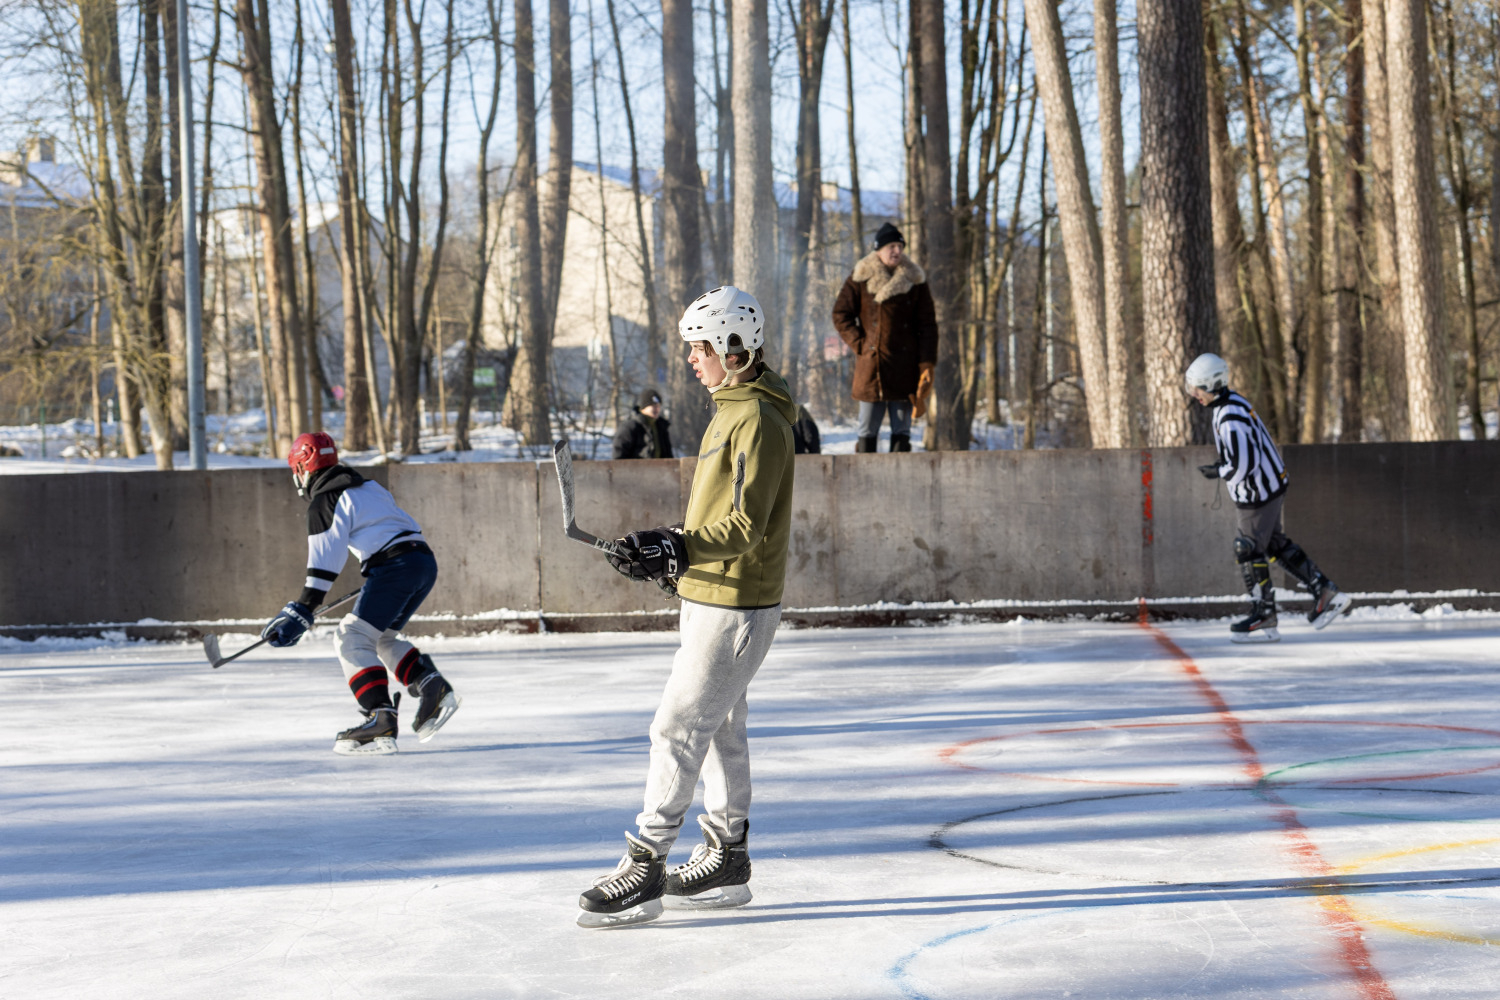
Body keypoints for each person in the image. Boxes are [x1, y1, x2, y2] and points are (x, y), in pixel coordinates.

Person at [576, 285, 796, 928]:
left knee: (676, 728)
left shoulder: (757, 419)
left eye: (700, 348)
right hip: (715, 594)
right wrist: (672, 556)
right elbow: (715, 519)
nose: (692, 360)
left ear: (734, 348)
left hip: (738, 604)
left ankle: (645, 864)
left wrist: (680, 547)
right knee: (721, 728)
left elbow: (747, 526)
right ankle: (727, 855)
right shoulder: (732, 409)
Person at [261, 432, 461, 754]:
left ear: (302, 468)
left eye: (295, 470)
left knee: (351, 637)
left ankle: (379, 717)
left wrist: (302, 609)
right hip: (422, 562)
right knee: (381, 639)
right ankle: (430, 684)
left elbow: (324, 564)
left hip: (394, 567)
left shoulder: (325, 501)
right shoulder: (369, 487)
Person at [1186, 354, 1351, 642]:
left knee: (1247, 548)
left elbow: (1243, 465)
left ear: (1212, 385)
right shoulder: (1229, 403)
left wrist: (1219, 471)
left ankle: (1264, 613)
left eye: (1197, 388)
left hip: (1258, 492)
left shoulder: (1230, 416)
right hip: (1269, 485)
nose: (1194, 394)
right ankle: (1324, 592)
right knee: (1274, 544)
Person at [831, 221, 938, 453]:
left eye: (900, 246)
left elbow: (928, 326)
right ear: (878, 249)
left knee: (902, 431)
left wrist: (926, 363)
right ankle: (863, 474)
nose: (897, 251)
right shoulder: (860, 277)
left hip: (905, 368)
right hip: (871, 366)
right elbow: (840, 314)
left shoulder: (915, 280)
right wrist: (861, 344)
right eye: (891, 246)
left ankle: (901, 474)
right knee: (867, 430)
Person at [612, 388, 675, 460]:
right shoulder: (630, 426)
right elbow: (619, 455)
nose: (656, 409)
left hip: (660, 467)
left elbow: (668, 455)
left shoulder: (661, 426)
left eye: (658, 406)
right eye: (653, 406)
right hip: (636, 467)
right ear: (644, 407)